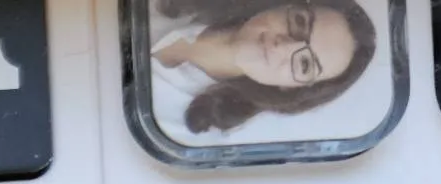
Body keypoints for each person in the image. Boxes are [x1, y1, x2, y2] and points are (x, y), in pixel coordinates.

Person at [148, 0, 379, 135]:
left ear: (290, 89)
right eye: (299, 22)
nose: (284, 46)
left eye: (305, 64)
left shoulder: (189, 133)